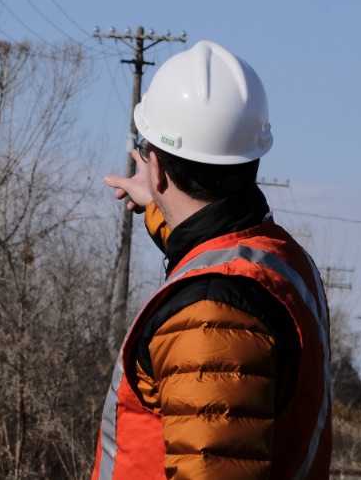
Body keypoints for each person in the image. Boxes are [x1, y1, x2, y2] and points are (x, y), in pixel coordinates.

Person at [91, 41, 332, 480]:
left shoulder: (210, 313)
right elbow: (211, 252)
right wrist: (157, 207)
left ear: (158, 169)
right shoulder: (275, 257)